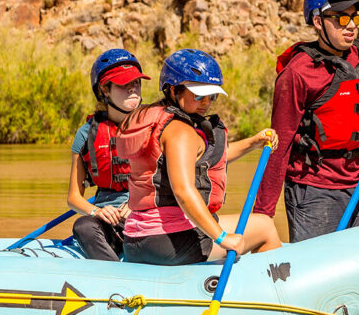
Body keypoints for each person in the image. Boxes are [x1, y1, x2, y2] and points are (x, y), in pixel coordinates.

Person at [253, 0, 359, 242]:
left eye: (355, 18)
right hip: (313, 189)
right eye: (341, 19)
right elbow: (279, 145)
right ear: (319, 21)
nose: (352, 25)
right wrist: (261, 215)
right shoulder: (297, 74)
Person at [117, 49, 282, 266]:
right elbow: (183, 191)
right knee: (264, 226)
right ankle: (270, 295)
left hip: (134, 240)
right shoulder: (180, 131)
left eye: (211, 96)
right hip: (167, 243)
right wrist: (222, 237)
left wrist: (253, 142)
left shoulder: (154, 119)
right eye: (198, 95)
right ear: (174, 90)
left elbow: (204, 161)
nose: (206, 102)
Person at [67, 49, 149, 261]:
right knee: (83, 226)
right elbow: (74, 198)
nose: (133, 88)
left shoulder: (156, 127)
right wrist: (97, 212)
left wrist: (135, 205)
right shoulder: (85, 134)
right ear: (105, 90)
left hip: (148, 214)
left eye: (137, 83)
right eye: (124, 84)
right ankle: (115, 277)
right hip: (110, 224)